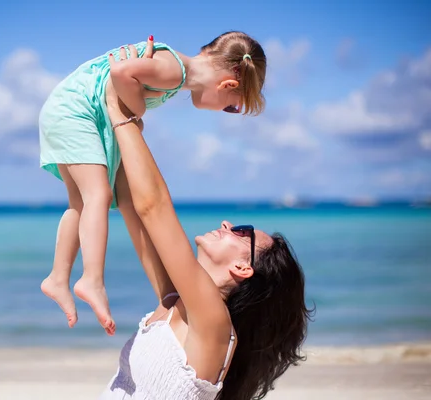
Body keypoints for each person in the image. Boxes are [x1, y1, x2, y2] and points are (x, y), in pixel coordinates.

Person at [97, 44, 312, 400]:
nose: (227, 223)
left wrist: (122, 115)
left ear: (244, 268)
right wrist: (122, 101)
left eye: (241, 232)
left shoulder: (214, 325)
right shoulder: (172, 302)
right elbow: (134, 207)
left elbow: (155, 207)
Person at [40, 32, 267, 336]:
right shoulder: (175, 71)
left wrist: (131, 109)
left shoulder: (173, 71)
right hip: (77, 112)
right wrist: (136, 113)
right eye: (230, 106)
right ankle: (92, 279)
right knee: (99, 195)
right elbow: (122, 72)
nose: (224, 111)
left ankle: (58, 277)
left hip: (74, 110)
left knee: (81, 203)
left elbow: (123, 75)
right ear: (228, 85)